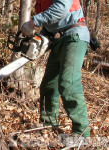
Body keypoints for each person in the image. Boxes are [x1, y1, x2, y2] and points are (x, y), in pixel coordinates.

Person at [21, 0, 90, 137]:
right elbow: (50, 23)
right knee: (49, 85)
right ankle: (47, 124)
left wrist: (33, 22)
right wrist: (40, 40)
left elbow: (60, 10)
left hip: (74, 35)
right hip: (58, 39)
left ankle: (81, 133)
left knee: (68, 82)